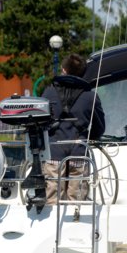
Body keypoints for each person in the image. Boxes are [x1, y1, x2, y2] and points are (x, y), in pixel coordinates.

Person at [41, 53, 106, 203]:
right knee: (77, 202)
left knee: (51, 201)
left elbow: (42, 123)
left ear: (63, 70)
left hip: (53, 153)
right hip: (79, 153)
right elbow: (99, 128)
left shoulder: (49, 93)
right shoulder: (91, 97)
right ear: (83, 73)